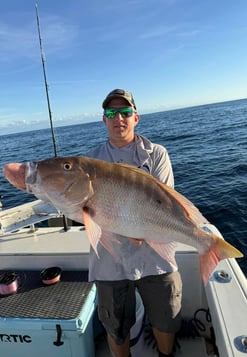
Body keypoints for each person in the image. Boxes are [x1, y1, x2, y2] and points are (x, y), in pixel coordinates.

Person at [86, 89, 182, 357]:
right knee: (115, 325)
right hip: (109, 260)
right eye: (111, 113)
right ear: (103, 120)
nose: (119, 117)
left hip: (156, 254)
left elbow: (166, 203)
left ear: (136, 118)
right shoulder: (89, 162)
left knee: (166, 318)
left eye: (125, 112)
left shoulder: (157, 154)